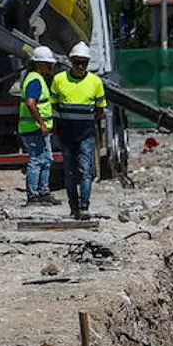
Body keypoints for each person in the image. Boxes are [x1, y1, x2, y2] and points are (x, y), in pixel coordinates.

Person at [50, 42, 106, 219]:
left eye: (83, 62)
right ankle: (73, 206)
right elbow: (53, 106)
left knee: (85, 171)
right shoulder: (59, 80)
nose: (80, 66)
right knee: (69, 172)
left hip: (86, 134)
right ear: (71, 61)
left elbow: (100, 109)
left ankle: (84, 205)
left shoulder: (95, 82)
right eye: (77, 62)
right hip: (66, 134)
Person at [18, 45, 59, 205]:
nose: (50, 66)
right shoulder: (35, 80)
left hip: (36, 128)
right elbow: (30, 103)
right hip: (34, 128)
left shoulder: (34, 78)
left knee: (46, 160)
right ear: (39, 63)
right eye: (48, 63)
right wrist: (41, 123)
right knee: (36, 160)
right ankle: (34, 195)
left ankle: (43, 192)